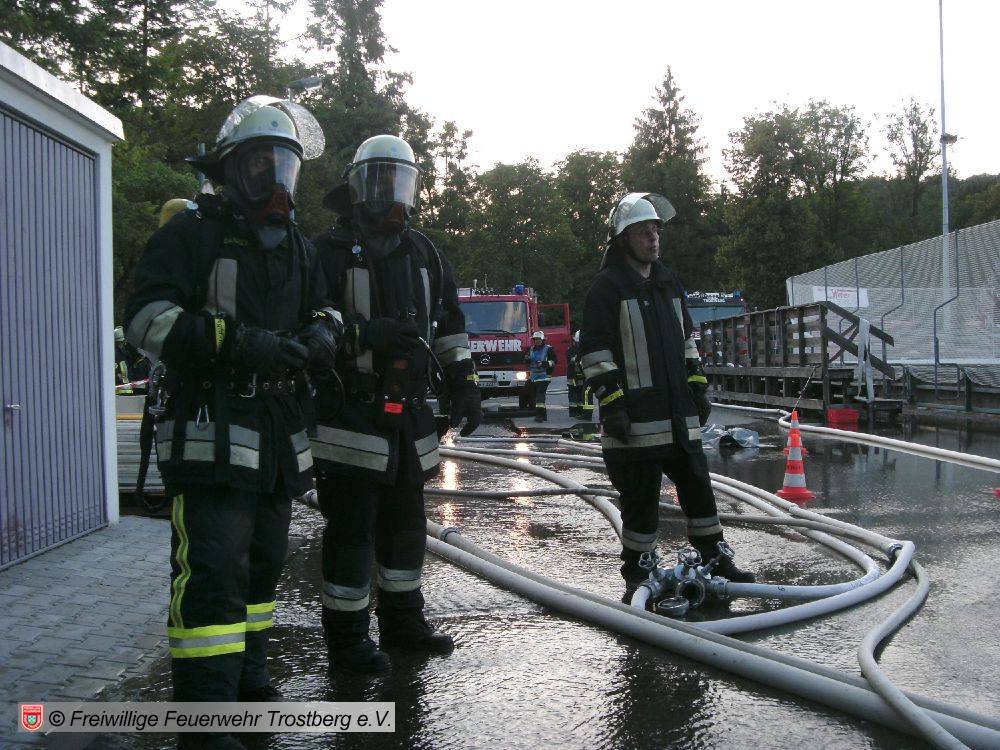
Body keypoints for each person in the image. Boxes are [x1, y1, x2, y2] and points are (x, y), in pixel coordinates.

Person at [124, 97, 339, 749]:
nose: (276, 186)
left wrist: (322, 335)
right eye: (260, 168)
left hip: (274, 436)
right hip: (209, 432)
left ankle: (248, 684)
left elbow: (325, 309)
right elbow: (145, 321)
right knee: (214, 572)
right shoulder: (191, 235)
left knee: (264, 566)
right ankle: (204, 723)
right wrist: (236, 342)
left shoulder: (298, 248)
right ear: (229, 171)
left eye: (285, 169)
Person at [311, 134, 482, 674]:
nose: (392, 197)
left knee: (407, 529)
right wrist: (365, 335)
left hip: (408, 417)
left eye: (400, 183)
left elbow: (449, 325)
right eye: (381, 183)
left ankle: (403, 624)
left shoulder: (424, 254)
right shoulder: (327, 253)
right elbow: (308, 327)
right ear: (358, 188)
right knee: (351, 535)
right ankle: (347, 643)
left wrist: (464, 382)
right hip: (349, 417)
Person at [579, 192, 754, 604]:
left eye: (656, 230)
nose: (653, 238)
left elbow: (687, 341)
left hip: (678, 415)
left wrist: (697, 386)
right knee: (640, 502)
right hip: (636, 421)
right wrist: (613, 403)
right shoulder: (607, 288)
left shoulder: (667, 282)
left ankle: (715, 560)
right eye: (643, 231)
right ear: (623, 239)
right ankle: (639, 573)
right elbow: (595, 351)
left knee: (699, 490)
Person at [524, 330, 557, 422]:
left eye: (538, 339)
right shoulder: (531, 349)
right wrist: (526, 359)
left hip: (544, 376)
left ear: (542, 340)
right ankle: (543, 415)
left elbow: (554, 361)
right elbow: (527, 361)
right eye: (535, 339)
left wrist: (544, 363)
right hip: (534, 377)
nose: (537, 341)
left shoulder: (548, 349)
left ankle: (539, 416)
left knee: (540, 395)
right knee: (535, 396)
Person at [566, 330, 594, 421]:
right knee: (574, 394)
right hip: (573, 376)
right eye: (577, 342)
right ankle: (575, 412)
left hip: (585, 376)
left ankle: (585, 413)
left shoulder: (586, 349)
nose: (578, 344)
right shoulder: (571, 350)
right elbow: (571, 360)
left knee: (583, 393)